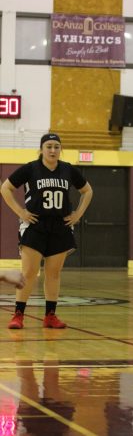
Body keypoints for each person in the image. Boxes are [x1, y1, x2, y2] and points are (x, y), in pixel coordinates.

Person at [0, 133, 93, 329]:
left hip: (60, 226)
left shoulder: (68, 169)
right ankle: (18, 314)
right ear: (41, 149)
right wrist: (20, 211)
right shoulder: (31, 168)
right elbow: (5, 188)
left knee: (54, 273)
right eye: (49, 146)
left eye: (56, 146)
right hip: (35, 225)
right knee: (30, 272)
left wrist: (78, 214)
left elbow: (87, 191)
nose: (53, 150)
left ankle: (50, 315)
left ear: (61, 149)